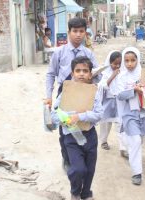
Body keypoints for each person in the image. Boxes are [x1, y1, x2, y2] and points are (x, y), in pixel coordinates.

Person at [45, 17, 99, 172]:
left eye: (81, 31)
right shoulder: (59, 52)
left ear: (85, 33)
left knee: (81, 124)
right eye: (75, 31)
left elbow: (98, 75)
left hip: (83, 94)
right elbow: (50, 74)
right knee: (65, 127)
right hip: (65, 93)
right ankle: (67, 156)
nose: (78, 34)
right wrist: (49, 96)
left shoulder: (89, 54)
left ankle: (78, 156)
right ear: (69, 32)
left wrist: (95, 75)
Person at [51, 56, 103, 200]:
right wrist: (67, 118)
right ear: (72, 73)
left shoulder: (94, 92)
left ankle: (86, 193)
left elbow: (99, 114)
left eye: (85, 71)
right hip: (71, 136)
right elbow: (54, 114)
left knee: (89, 169)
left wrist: (81, 116)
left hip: (90, 135)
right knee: (78, 169)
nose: (81, 74)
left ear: (90, 74)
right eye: (78, 70)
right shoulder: (66, 92)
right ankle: (75, 192)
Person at [116, 47, 145, 185]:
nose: (130, 64)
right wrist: (133, 90)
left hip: (143, 113)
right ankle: (137, 173)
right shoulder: (121, 77)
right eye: (127, 61)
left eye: (133, 60)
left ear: (138, 60)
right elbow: (119, 95)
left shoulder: (144, 75)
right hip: (129, 114)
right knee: (135, 141)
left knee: (138, 141)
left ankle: (132, 156)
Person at [98, 50, 129, 158]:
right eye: (114, 63)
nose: (117, 66)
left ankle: (123, 148)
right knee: (106, 124)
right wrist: (113, 76)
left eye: (119, 64)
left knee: (121, 124)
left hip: (119, 102)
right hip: (108, 101)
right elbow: (103, 86)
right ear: (109, 62)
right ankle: (103, 141)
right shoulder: (106, 73)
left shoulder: (123, 73)